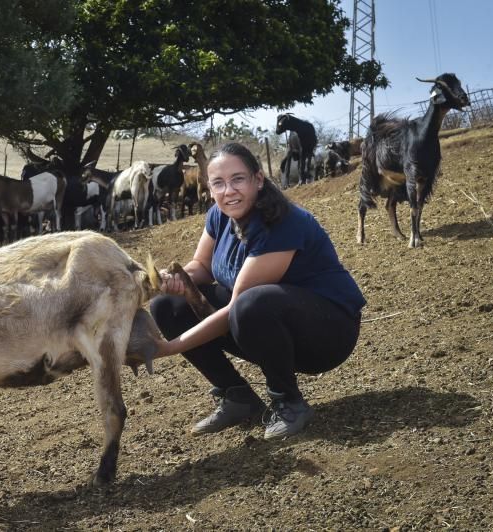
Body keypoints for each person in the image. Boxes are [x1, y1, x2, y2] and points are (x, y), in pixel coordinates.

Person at [150, 142, 365, 439]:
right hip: (265, 320)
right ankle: (237, 397)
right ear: (209, 188)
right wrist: (169, 281)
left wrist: (169, 348)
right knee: (167, 305)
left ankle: (288, 401)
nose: (229, 191)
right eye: (219, 183)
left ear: (258, 179)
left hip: (327, 332)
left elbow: (237, 305)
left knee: (251, 304)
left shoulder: (283, 222)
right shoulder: (219, 214)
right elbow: (201, 266)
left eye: (238, 179)